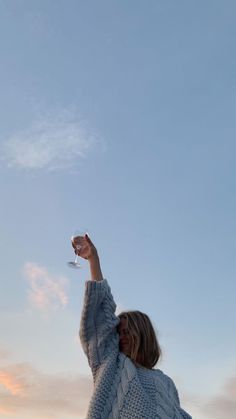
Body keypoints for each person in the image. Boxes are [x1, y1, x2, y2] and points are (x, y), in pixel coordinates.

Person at [72, 234, 192, 419]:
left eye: (127, 332)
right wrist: (94, 260)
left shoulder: (165, 382)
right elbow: (100, 319)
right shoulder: (110, 362)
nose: (121, 337)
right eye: (118, 332)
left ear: (144, 335)